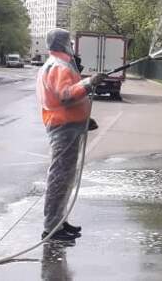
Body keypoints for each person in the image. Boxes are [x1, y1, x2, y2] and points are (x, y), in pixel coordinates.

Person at [36, 28, 106, 241]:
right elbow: (65, 96)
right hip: (64, 129)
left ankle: (59, 221)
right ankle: (52, 228)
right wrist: (89, 83)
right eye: (69, 41)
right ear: (62, 43)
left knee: (65, 178)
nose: (72, 45)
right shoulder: (59, 66)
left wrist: (84, 120)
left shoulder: (58, 64)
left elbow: (63, 101)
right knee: (60, 178)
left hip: (67, 127)